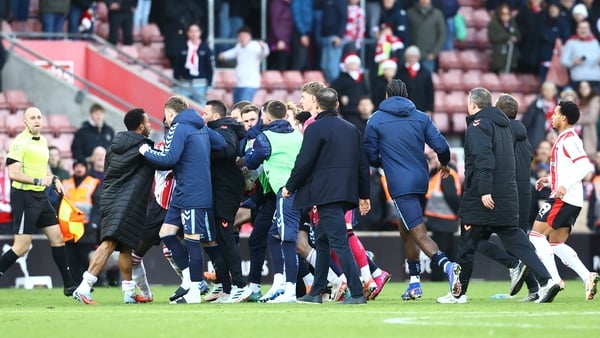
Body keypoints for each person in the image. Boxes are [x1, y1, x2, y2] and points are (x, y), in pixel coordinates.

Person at [446, 87, 561, 304]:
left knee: (468, 242)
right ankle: (545, 281)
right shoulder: (510, 130)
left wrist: (484, 189)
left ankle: (458, 293)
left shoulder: (480, 125)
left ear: (473, 104)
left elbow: (484, 159)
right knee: (517, 240)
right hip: (511, 195)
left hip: (486, 196)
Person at [363, 79, 461, 301]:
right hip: (420, 179)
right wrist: (444, 163)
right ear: (406, 95)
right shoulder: (420, 117)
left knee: (418, 232)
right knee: (406, 229)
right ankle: (415, 282)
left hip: (399, 182)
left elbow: (370, 155)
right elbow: (442, 147)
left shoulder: (376, 120)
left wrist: (385, 163)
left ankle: (448, 267)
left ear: (387, 95)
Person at [284, 87, 370, 305]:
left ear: (318, 105)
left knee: (339, 243)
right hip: (346, 193)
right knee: (322, 240)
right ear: (337, 105)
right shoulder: (352, 128)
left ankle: (357, 293)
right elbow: (362, 164)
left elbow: (304, 162)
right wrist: (364, 195)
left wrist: (291, 186)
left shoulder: (315, 128)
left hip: (325, 194)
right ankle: (317, 291)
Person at [139, 96, 227, 304]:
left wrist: (145, 151)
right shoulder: (201, 127)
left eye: (167, 117)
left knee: (192, 241)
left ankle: (195, 291)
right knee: (166, 233)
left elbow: (168, 159)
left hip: (192, 192)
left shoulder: (178, 128)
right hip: (184, 191)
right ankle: (189, 279)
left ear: (170, 113)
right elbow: (221, 143)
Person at [72, 108, 155, 305]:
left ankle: (128, 292)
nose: (151, 125)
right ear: (141, 126)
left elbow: (109, 171)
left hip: (113, 199)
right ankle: (84, 287)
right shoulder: (142, 147)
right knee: (109, 243)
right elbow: (161, 162)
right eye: (148, 122)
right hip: (126, 201)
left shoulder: (113, 146)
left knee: (126, 247)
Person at [0, 107, 76, 296]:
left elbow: (42, 171)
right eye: (32, 118)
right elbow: (13, 173)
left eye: (39, 117)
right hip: (25, 198)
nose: (36, 120)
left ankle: (69, 285)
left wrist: (54, 179)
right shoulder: (19, 143)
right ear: (25, 122)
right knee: (21, 246)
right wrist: (39, 181)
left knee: (58, 238)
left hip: (41, 197)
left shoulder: (43, 141)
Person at [528, 100, 600, 300]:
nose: (552, 116)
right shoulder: (566, 139)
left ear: (564, 118)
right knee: (555, 243)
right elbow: (570, 169)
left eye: (556, 113)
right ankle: (588, 276)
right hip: (571, 199)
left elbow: (585, 166)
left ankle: (553, 280)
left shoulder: (568, 140)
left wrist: (563, 186)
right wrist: (551, 180)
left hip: (564, 198)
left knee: (535, 236)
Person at [475, 93, 540, 302]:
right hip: (523, 195)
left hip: (504, 195)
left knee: (475, 240)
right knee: (519, 243)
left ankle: (531, 276)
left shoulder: (500, 133)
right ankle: (537, 286)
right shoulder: (524, 135)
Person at [246, 100, 304, 303]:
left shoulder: (266, 137)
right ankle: (281, 283)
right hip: (303, 191)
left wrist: (249, 149)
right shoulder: (297, 134)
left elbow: (252, 162)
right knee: (274, 234)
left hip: (285, 191)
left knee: (287, 238)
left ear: (268, 117)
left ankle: (290, 289)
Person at [203, 99, 251, 303]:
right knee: (220, 237)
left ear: (215, 116)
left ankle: (241, 285)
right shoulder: (220, 129)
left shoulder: (223, 129)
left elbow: (229, 150)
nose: (203, 116)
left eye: (206, 113)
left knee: (225, 236)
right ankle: (227, 287)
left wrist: (206, 150)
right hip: (220, 188)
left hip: (226, 189)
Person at [423, 147, 461, 282]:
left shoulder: (446, 173)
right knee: (445, 250)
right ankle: (447, 277)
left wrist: (458, 212)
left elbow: (450, 196)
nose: (432, 161)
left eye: (434, 158)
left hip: (444, 219)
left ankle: (439, 277)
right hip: (442, 219)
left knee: (441, 250)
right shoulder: (436, 174)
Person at [61, 160, 101, 284]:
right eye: (76, 166)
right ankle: (74, 284)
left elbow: (97, 205)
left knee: (86, 257)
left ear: (86, 168)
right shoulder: (65, 183)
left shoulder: (93, 183)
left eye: (81, 166)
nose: (79, 169)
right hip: (70, 227)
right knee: (71, 259)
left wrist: (94, 223)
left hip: (86, 226)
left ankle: (89, 283)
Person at [219, 26, 270, 104]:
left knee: (244, 107)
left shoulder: (255, 46)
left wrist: (263, 46)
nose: (242, 38)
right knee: (236, 107)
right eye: (240, 36)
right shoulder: (238, 47)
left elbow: (264, 53)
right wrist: (223, 55)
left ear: (250, 37)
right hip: (238, 83)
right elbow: (231, 53)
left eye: (245, 36)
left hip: (250, 83)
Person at [173, 23, 214, 106]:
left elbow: (210, 67)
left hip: (200, 84)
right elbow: (177, 66)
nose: (193, 34)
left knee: (201, 107)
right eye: (191, 31)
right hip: (185, 83)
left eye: (196, 31)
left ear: (200, 33)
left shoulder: (205, 48)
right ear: (188, 33)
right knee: (182, 107)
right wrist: (176, 82)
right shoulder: (183, 48)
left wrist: (209, 84)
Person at [406, 0, 446, 73]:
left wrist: (434, 52)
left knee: (426, 81)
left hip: (428, 56)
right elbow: (405, 34)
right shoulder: (410, 13)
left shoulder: (437, 14)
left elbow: (441, 34)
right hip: (412, 55)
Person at [560, 19, 600, 92]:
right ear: (577, 29)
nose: (583, 30)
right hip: (578, 79)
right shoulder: (571, 42)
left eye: (585, 28)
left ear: (590, 30)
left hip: (595, 79)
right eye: (580, 28)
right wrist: (573, 62)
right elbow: (563, 61)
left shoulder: (596, 42)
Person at [395, 46, 434, 115]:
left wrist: (430, 109)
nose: (411, 59)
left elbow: (430, 92)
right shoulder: (400, 72)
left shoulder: (425, 72)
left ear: (418, 58)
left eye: (414, 57)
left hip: (421, 108)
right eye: (409, 56)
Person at [488, 4, 520, 73]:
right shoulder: (494, 24)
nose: (505, 16)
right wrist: (507, 37)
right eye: (503, 14)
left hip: (512, 55)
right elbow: (492, 38)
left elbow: (518, 35)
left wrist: (515, 38)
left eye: (507, 14)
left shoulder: (513, 23)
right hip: (500, 56)